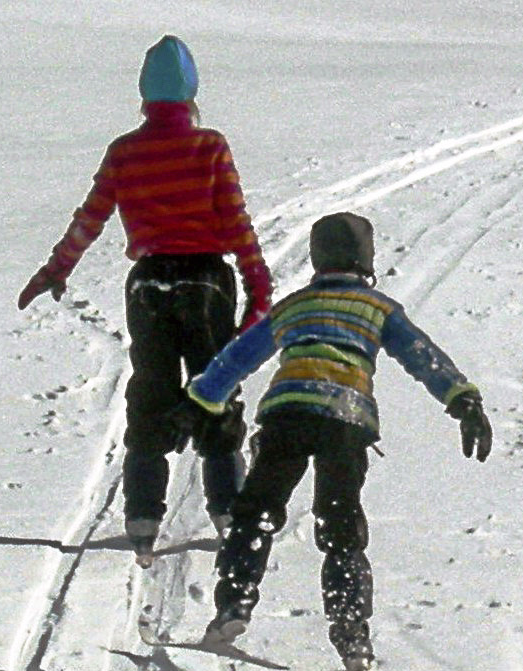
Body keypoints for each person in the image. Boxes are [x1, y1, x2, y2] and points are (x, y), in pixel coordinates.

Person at [169, 212, 493, 671]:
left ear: (317, 257)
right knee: (341, 527)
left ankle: (233, 605)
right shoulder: (378, 309)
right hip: (346, 420)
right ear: (366, 259)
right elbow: (422, 355)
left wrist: (200, 399)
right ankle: (352, 635)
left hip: (287, 414)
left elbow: (237, 358)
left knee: (255, 512)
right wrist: (463, 400)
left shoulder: (293, 307)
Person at [17, 35, 274, 567]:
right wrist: (258, 287)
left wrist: (57, 268)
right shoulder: (210, 148)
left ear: (144, 96)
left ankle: (141, 519)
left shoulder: (124, 152)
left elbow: (90, 217)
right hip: (207, 282)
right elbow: (236, 220)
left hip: (148, 285)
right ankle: (228, 512)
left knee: (150, 393)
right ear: (192, 94)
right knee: (215, 389)